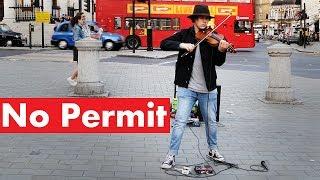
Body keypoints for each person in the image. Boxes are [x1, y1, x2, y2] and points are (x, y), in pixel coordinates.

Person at [159, 4, 229, 169]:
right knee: (180, 121)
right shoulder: (185, 34)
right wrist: (182, 45)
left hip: (208, 89)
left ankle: (213, 149)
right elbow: (164, 43)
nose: (204, 21)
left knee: (211, 122)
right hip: (187, 88)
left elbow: (218, 62)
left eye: (206, 18)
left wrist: (222, 50)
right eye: (201, 18)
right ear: (195, 19)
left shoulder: (212, 37)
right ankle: (171, 155)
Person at [67, 12, 90, 86]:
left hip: (80, 48)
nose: (84, 18)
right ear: (78, 19)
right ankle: (71, 78)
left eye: (84, 17)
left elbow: (85, 35)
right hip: (78, 48)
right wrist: (85, 39)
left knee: (80, 65)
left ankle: (76, 81)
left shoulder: (80, 27)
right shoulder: (77, 27)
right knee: (81, 65)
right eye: (83, 17)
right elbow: (76, 39)